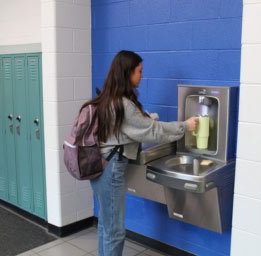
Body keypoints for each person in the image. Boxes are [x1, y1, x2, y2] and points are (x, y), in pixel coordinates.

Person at [83, 50, 198, 256]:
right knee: (115, 231)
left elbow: (129, 126)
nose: (142, 75)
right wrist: (185, 126)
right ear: (128, 73)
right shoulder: (123, 105)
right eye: (139, 71)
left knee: (106, 227)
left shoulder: (107, 98)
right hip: (111, 170)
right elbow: (152, 132)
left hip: (99, 166)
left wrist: (148, 118)